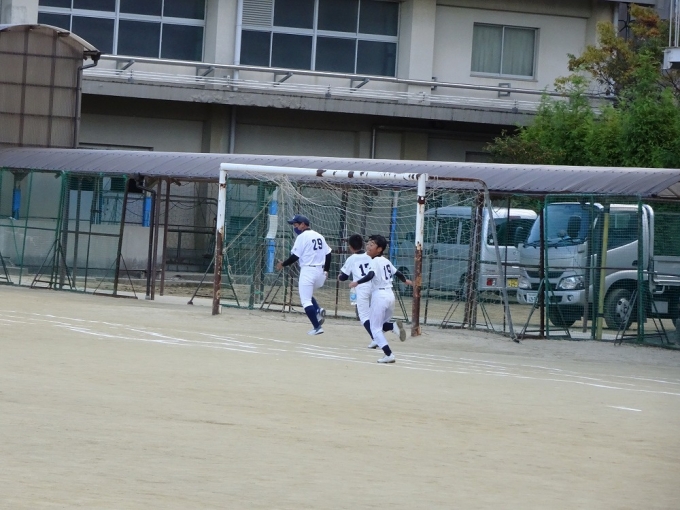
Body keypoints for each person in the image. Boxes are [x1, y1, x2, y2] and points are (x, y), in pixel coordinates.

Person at [349, 234, 412, 363]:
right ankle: (393, 327)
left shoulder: (375, 261)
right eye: (368, 243)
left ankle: (389, 354)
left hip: (380, 296)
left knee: (375, 328)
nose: (368, 246)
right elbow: (398, 273)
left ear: (379, 249)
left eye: (372, 245)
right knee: (380, 325)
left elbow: (371, 275)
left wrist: (357, 282)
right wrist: (405, 281)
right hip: (390, 296)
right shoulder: (386, 261)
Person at [338, 234, 407, 347]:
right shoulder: (371, 255)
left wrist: (339, 277)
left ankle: (378, 337)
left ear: (350, 247)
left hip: (362, 288)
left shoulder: (352, 258)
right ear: (363, 244)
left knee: (364, 316)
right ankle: (389, 328)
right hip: (374, 287)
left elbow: (344, 276)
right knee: (375, 317)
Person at [276, 214, 331, 335]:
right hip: (320, 273)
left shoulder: (302, 237)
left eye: (296, 225)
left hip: (308, 271)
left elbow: (295, 256)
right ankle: (318, 310)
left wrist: (283, 264)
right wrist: (326, 270)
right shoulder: (319, 235)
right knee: (307, 294)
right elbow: (328, 254)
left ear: (303, 224)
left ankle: (317, 327)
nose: (295, 227)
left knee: (305, 300)